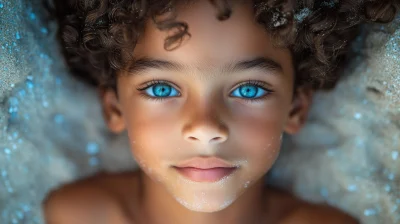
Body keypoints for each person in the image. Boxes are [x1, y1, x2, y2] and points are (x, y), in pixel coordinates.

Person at [43, 0, 399, 223]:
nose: (206, 127)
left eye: (249, 89)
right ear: (114, 106)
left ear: (296, 107)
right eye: (161, 89)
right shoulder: (73, 215)